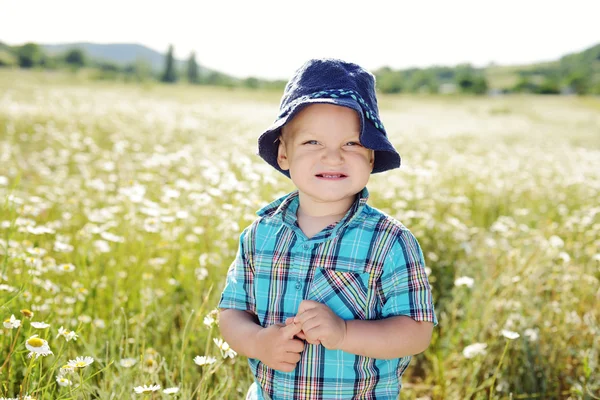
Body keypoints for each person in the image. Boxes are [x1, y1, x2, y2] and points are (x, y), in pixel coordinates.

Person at [218, 58, 438, 400]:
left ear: (371, 157)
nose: (333, 156)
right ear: (284, 155)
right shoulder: (259, 235)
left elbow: (416, 332)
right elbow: (232, 313)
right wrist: (259, 342)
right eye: (312, 143)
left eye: (351, 144)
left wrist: (344, 332)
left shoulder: (391, 241)